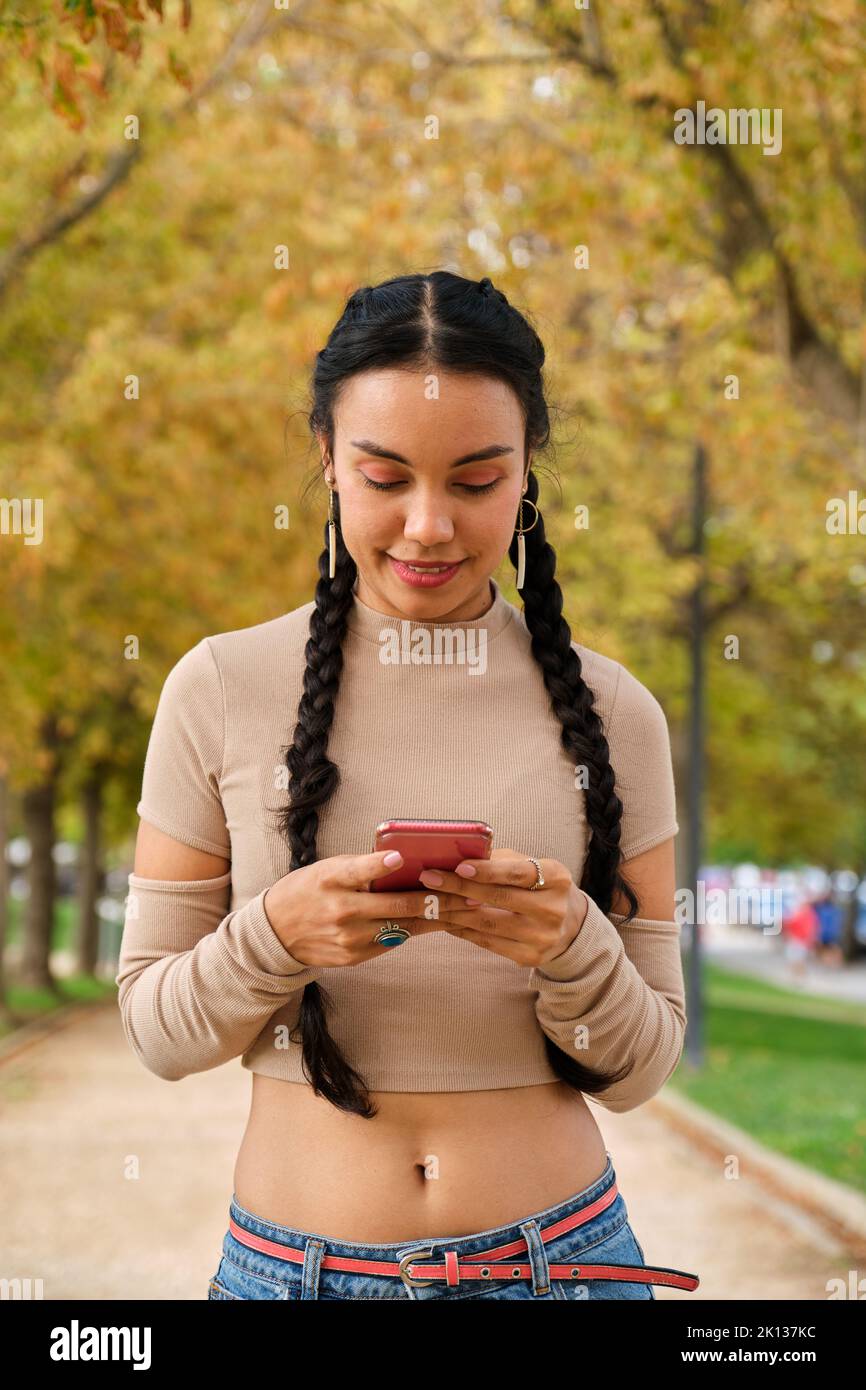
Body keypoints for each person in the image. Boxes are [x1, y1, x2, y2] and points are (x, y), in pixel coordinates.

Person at [116, 271, 699, 1301]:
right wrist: (276, 936)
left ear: (526, 476)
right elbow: (158, 1033)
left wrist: (570, 948)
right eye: (385, 478)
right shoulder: (219, 687)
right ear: (327, 462)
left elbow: (642, 1067)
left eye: (475, 482)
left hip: (560, 1267)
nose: (428, 526)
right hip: (291, 1275)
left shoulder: (615, 714)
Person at [782, 895, 818, 981]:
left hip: (802, 941)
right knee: (794, 959)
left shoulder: (809, 915)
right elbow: (789, 925)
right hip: (795, 939)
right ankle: (796, 976)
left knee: (799, 960)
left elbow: (811, 929)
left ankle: (800, 977)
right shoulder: (797, 913)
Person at [812, 891, 843, 968]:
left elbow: (820, 923)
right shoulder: (835, 910)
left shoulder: (823, 910)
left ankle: (829, 963)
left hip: (825, 934)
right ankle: (833, 963)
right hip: (832, 933)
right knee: (832, 949)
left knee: (825, 950)